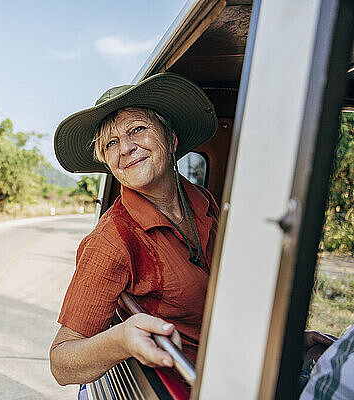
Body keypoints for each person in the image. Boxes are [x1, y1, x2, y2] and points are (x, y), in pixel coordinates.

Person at [49, 72, 219, 386]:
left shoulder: (204, 201)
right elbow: (62, 363)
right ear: (107, 161)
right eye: (111, 143)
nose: (125, 148)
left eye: (137, 129)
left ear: (171, 138)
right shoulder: (113, 238)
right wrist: (122, 340)